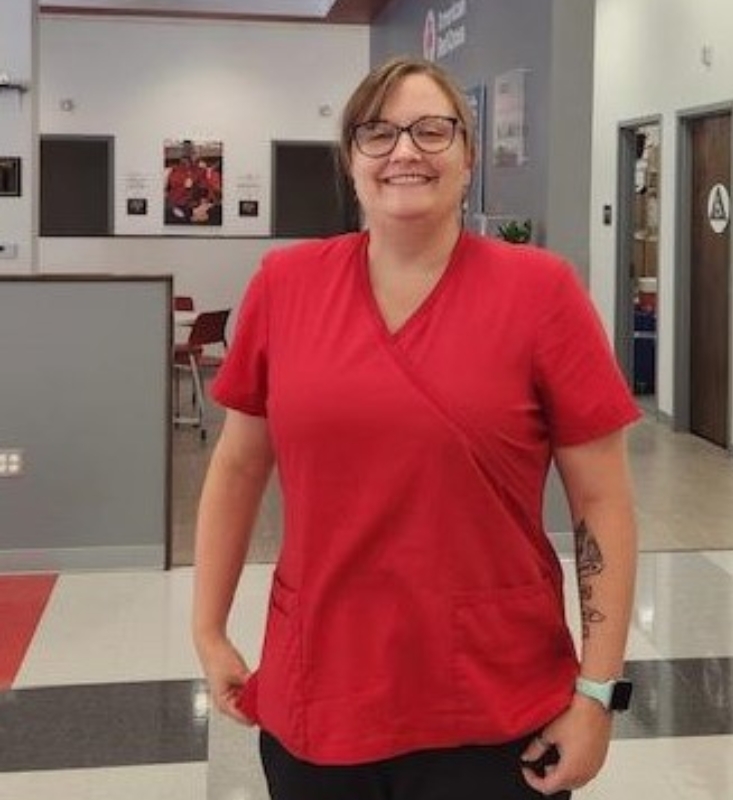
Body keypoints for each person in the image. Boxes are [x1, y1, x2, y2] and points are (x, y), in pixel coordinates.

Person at [193, 55, 640, 800]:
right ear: (352, 160)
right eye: (380, 132)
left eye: (434, 131)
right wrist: (209, 631)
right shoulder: (285, 286)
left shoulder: (540, 292)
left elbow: (603, 503)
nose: (405, 151)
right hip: (321, 690)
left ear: (469, 158)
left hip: (494, 700)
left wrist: (597, 693)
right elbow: (238, 466)